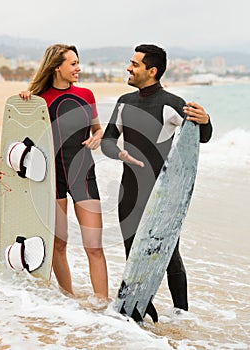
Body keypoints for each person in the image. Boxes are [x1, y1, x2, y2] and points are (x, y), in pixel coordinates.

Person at [101, 44, 213, 321]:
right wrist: (120, 153)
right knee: (132, 253)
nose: (129, 68)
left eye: (135, 64)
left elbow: (201, 136)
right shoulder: (125, 102)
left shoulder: (172, 103)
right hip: (130, 191)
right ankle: (135, 312)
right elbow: (106, 142)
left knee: (168, 254)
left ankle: (181, 316)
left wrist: (207, 120)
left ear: (152, 70)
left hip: (161, 195)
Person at [19, 44, 108, 302]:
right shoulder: (38, 100)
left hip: (83, 173)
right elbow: (24, 137)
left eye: (78, 63)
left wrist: (98, 138)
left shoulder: (86, 94)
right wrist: (26, 102)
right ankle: (68, 300)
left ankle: (102, 305)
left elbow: (97, 130)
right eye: (73, 63)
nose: (78, 68)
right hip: (50, 179)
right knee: (59, 245)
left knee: (94, 246)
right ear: (57, 66)